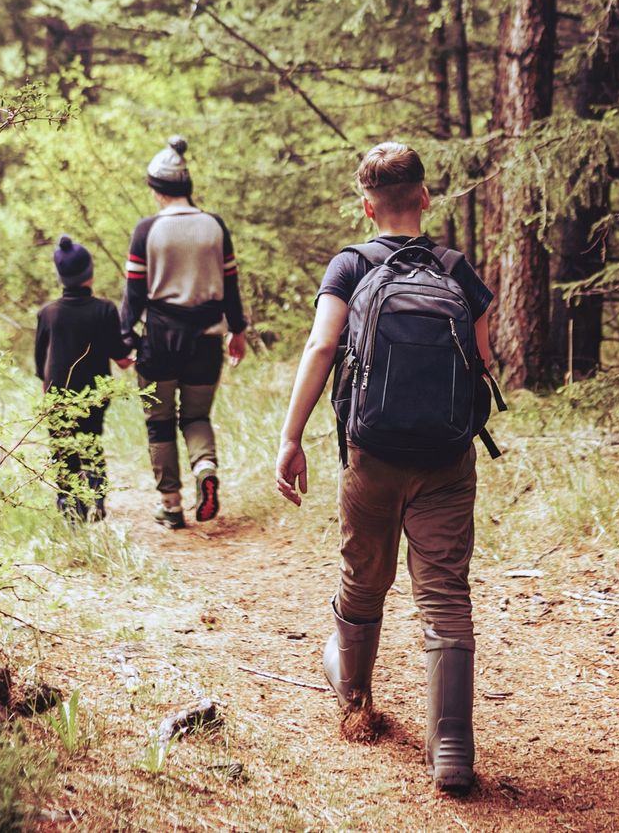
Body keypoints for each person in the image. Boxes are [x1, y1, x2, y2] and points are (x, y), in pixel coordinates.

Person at [275, 142, 498, 795]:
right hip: (447, 460)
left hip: (372, 456)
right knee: (445, 594)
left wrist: (291, 437)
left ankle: (355, 696)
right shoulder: (457, 270)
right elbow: (484, 363)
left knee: (363, 575)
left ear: (367, 207)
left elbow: (322, 344)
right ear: (425, 198)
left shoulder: (350, 265)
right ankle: (451, 747)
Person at [121, 136, 248, 529]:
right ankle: (205, 467)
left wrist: (125, 339)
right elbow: (230, 285)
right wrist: (237, 331)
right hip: (207, 340)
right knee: (196, 416)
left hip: (159, 342)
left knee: (159, 421)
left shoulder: (147, 230)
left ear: (156, 189)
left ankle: (172, 505)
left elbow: (134, 295)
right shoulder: (214, 226)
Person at [34, 234, 134, 522]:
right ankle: (96, 497)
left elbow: (40, 363)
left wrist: (47, 391)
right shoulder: (105, 309)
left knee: (62, 447)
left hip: (58, 395)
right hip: (94, 393)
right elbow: (119, 354)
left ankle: (69, 505)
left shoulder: (47, 313)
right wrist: (131, 354)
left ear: (59, 277)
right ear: (90, 273)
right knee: (90, 440)